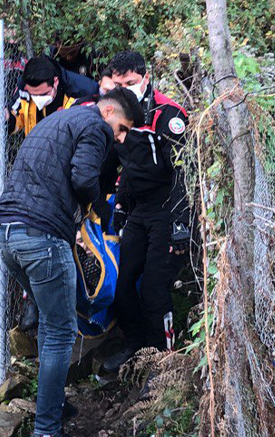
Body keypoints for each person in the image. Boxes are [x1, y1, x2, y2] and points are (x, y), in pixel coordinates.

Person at [0, 88, 144, 437]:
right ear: (109, 111)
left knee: (51, 322)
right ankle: (47, 429)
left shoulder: (58, 121)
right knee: (62, 332)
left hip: (8, 236)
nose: (119, 138)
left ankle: (54, 404)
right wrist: (100, 207)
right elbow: (82, 177)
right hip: (43, 239)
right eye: (121, 129)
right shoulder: (94, 126)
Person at [102, 51, 193, 373]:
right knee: (121, 283)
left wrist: (181, 222)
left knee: (154, 287)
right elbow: (127, 166)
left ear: (145, 78)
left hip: (168, 208)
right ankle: (135, 342)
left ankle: (164, 359)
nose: (126, 87)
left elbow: (184, 171)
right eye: (119, 83)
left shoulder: (168, 114)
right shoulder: (117, 113)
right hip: (138, 209)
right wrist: (122, 209)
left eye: (131, 82)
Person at [8, 56, 99, 136]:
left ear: (55, 81)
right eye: (33, 95)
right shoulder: (24, 86)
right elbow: (16, 117)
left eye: (44, 94)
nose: (38, 99)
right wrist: (6, 117)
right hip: (35, 147)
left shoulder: (82, 92)